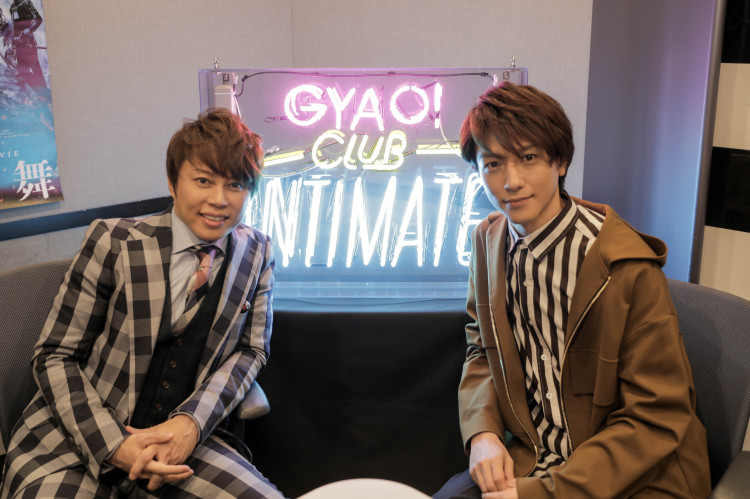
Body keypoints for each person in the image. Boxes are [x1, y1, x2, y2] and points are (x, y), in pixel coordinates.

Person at [433, 83, 711, 498]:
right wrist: (483, 433)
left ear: (560, 161)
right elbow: (482, 351)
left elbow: (657, 416)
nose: (511, 181)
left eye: (528, 158)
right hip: (535, 457)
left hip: (636, 477)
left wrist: (541, 493)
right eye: (493, 164)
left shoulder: (625, 266)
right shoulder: (487, 243)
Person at [0, 108, 286, 498]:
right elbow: (54, 355)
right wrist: (113, 444)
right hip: (77, 440)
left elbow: (251, 351)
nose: (219, 200)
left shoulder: (257, 252)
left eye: (235, 185)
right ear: (172, 182)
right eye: (203, 180)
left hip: (182, 442)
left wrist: (192, 423)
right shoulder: (114, 241)